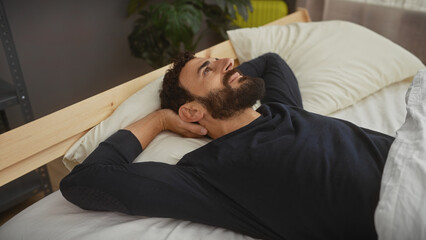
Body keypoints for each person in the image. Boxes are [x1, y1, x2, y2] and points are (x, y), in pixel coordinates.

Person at [60, 52, 393, 240]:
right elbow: (85, 180)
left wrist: (228, 81)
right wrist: (161, 119)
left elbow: (272, 62)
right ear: (191, 111)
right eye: (209, 69)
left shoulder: (282, 109)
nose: (227, 62)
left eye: (218, 59)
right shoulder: (208, 175)